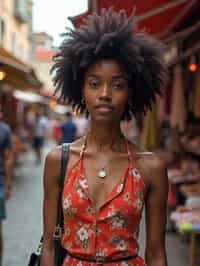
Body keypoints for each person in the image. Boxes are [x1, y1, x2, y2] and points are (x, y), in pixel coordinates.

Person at [41, 9, 168, 266]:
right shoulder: (59, 161)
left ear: (131, 93)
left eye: (118, 85)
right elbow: (49, 249)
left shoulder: (151, 168)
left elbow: (156, 253)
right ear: (81, 89)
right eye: (95, 83)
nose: (105, 94)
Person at [0, 107, 13, 265]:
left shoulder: (4, 129)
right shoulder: (4, 129)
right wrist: (8, 185)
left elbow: (9, 159)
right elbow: (9, 159)